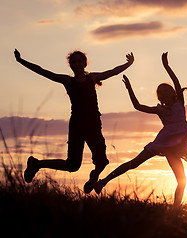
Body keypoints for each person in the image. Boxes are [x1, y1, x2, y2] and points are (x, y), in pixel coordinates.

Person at [14, 48, 134, 193]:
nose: (77, 64)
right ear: (70, 65)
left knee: (102, 162)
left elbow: (113, 72)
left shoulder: (93, 78)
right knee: (72, 166)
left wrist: (128, 64)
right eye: (74, 62)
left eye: (80, 61)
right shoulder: (68, 81)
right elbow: (43, 71)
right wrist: (21, 61)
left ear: (85, 63)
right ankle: (36, 164)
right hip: (77, 125)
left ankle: (93, 178)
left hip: (93, 124)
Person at [94, 52, 187, 207]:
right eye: (160, 93)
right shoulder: (160, 110)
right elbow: (137, 106)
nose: (163, 93)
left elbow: (176, 81)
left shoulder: (180, 102)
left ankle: (176, 210)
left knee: (182, 180)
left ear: (173, 93)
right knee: (135, 163)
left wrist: (166, 66)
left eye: (166, 90)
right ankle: (103, 182)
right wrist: (129, 88)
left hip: (175, 147)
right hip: (163, 141)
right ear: (158, 98)